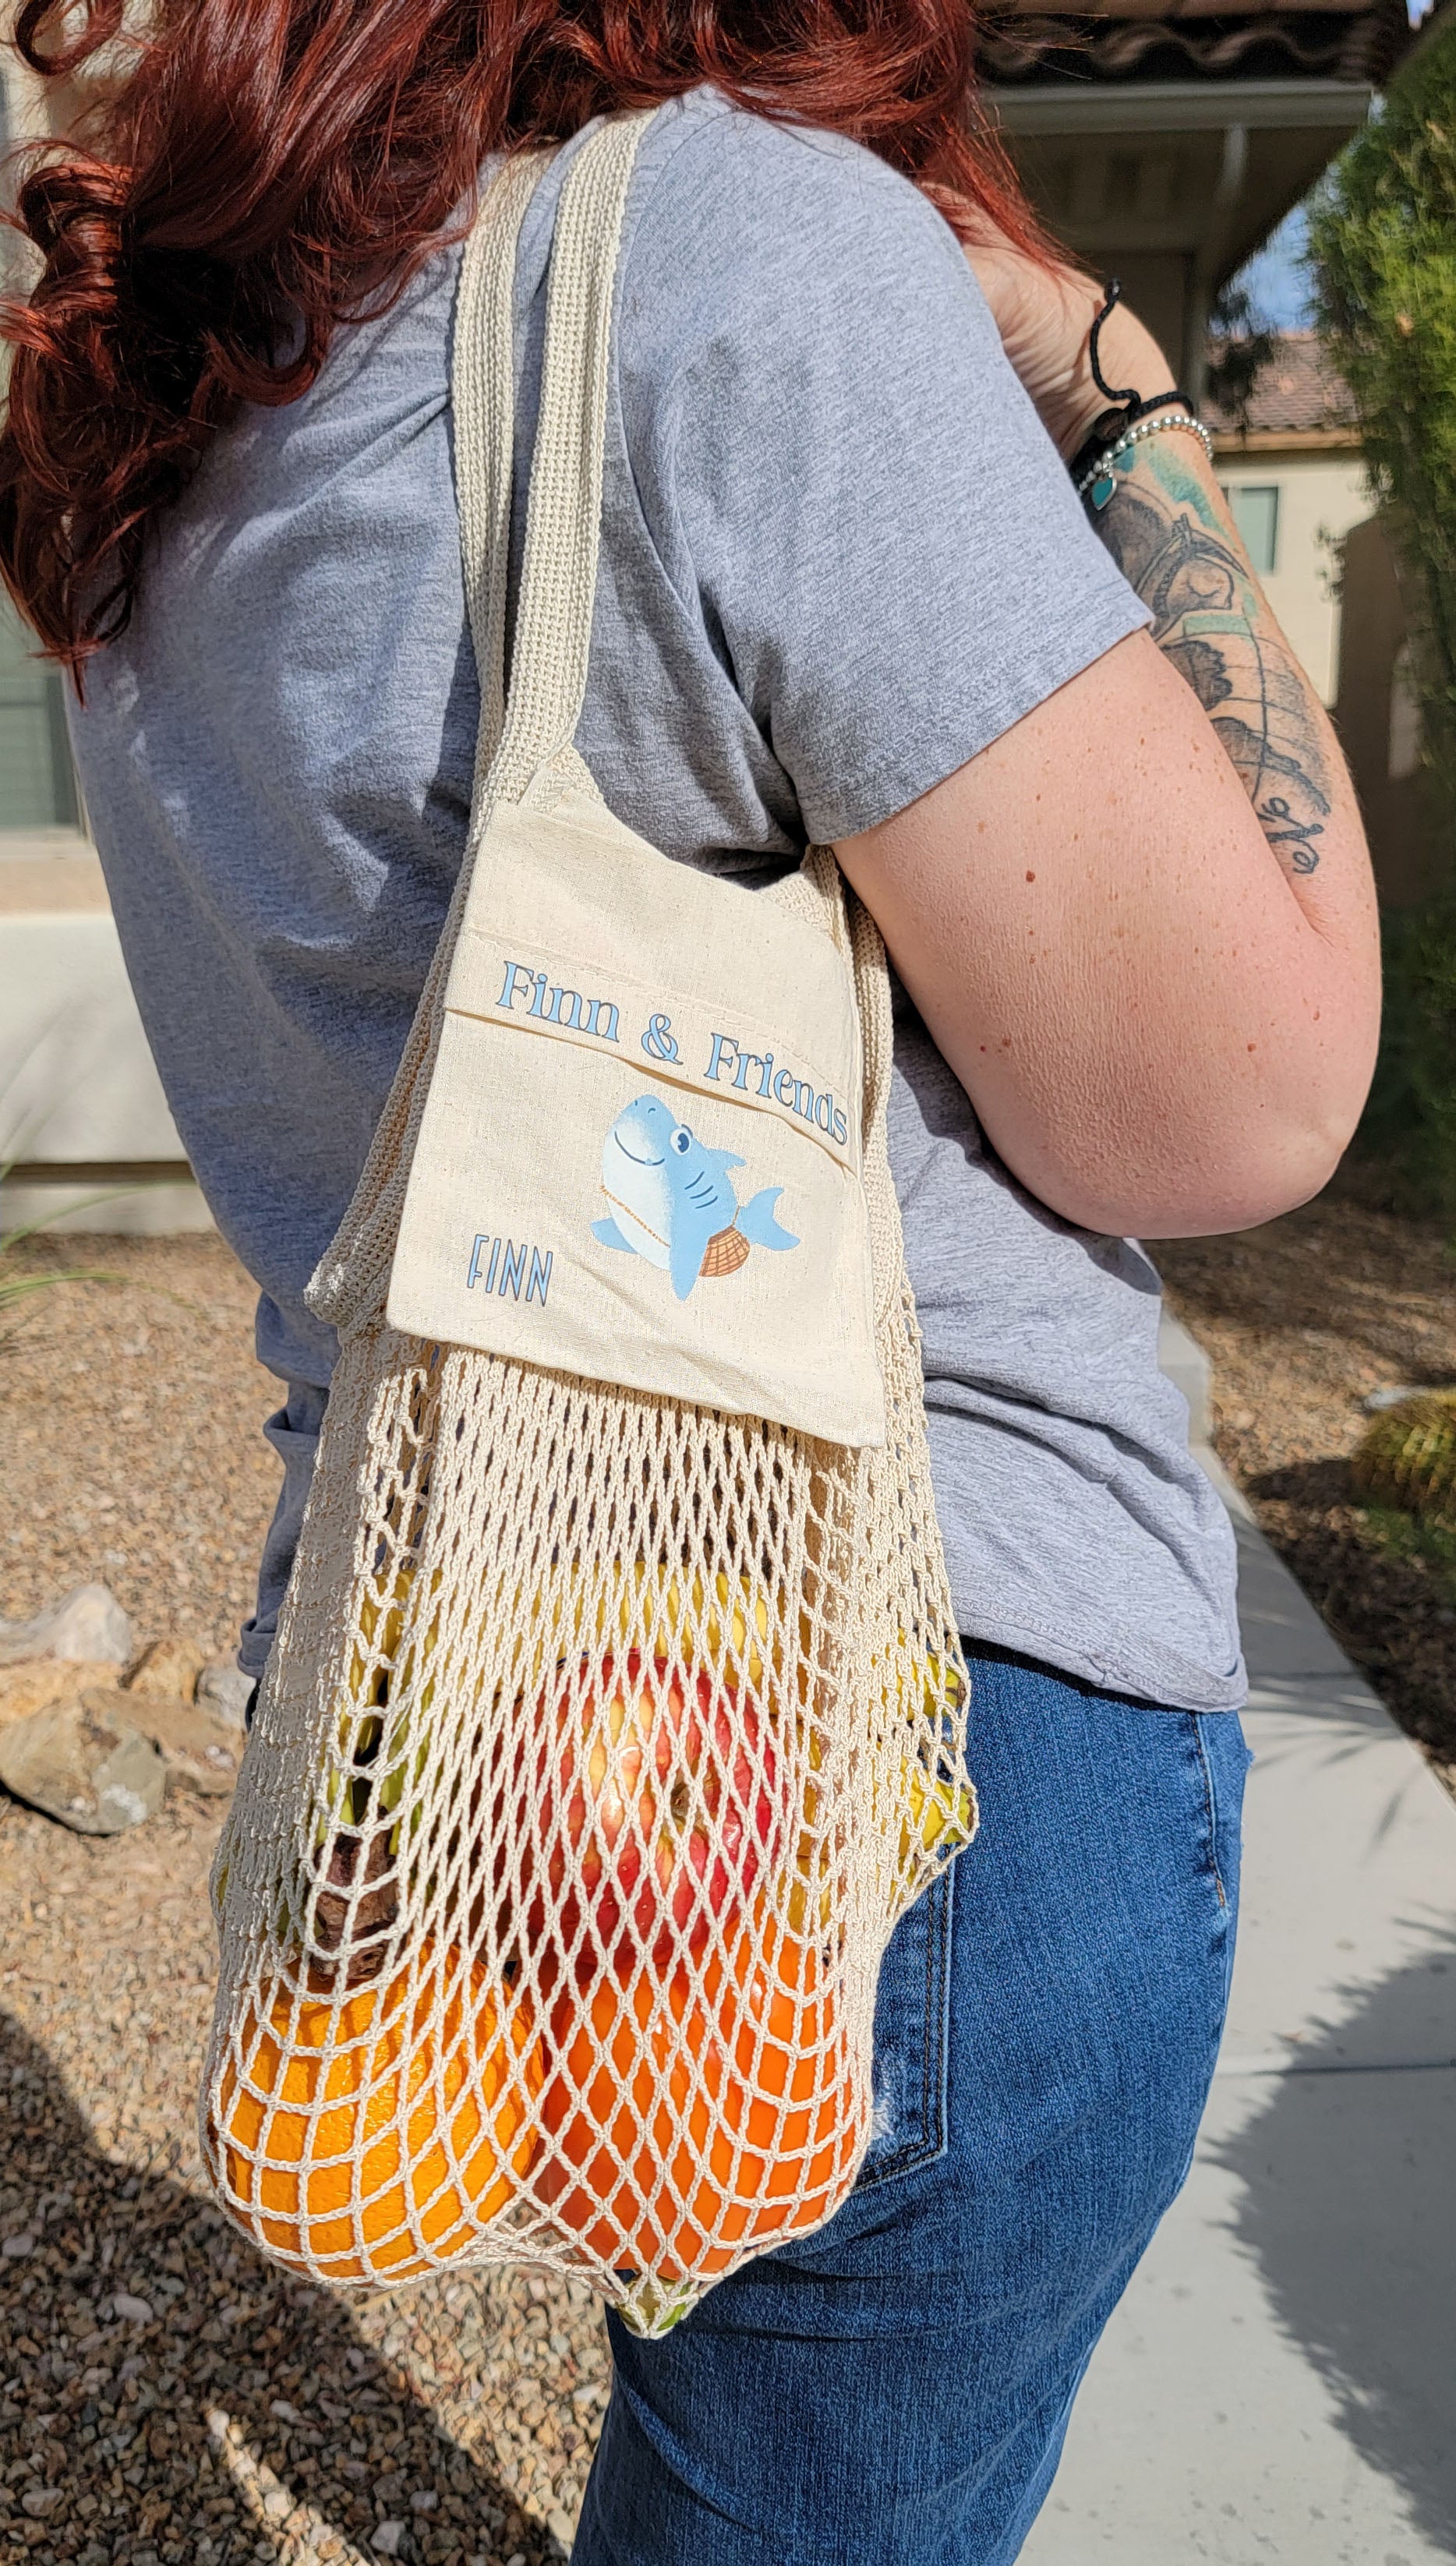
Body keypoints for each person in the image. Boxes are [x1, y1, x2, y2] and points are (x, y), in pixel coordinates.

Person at [1, 2, 1379, 2556]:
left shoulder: (157, 417)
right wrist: (1108, 395)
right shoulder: (735, 260)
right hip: (903, 1721)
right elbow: (1246, 1089)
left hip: (466, 1709)